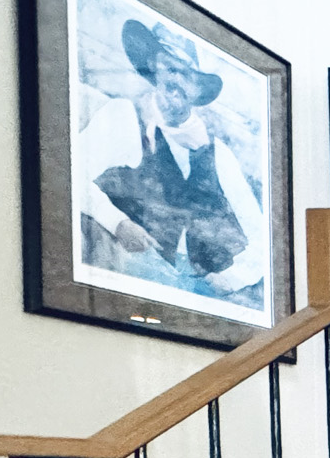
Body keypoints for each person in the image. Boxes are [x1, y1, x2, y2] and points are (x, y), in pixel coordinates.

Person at [77, 18, 265, 297]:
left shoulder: (218, 153)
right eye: (169, 68)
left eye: (185, 74)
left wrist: (234, 277)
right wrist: (118, 222)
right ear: (154, 71)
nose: (175, 79)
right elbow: (69, 176)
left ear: (198, 90)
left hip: (191, 285)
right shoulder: (122, 117)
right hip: (125, 272)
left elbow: (262, 235)